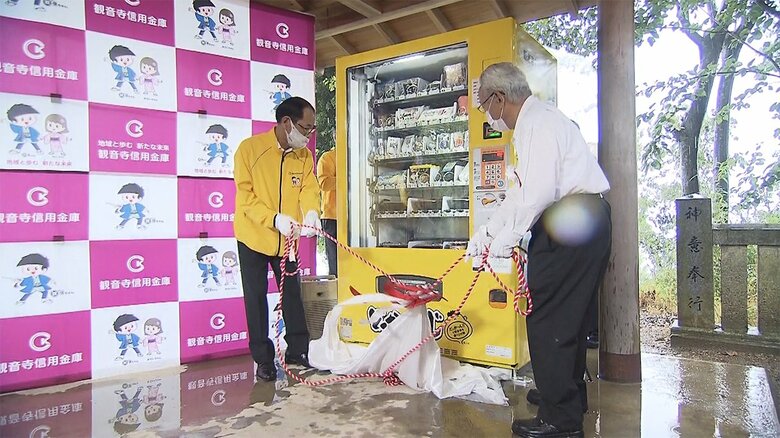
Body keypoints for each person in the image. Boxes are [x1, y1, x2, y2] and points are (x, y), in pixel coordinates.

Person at [466, 63, 611, 438]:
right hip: (580, 220)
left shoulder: (537, 123)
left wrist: (507, 239)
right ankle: (564, 394)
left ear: (500, 98)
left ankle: (559, 420)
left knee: (548, 316)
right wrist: (489, 231)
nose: (488, 115)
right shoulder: (536, 123)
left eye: (484, 105)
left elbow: (537, 194)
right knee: (571, 318)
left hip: (571, 221)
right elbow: (519, 193)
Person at [234, 96, 321, 381]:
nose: (308, 135)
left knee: (293, 295)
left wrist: (310, 212)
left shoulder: (304, 156)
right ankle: (263, 359)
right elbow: (245, 197)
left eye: (311, 129)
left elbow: (309, 187)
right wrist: (273, 219)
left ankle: (298, 350)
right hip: (254, 236)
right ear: (286, 123)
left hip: (287, 240)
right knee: (256, 298)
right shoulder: (250, 150)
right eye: (305, 128)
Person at [317, 140, 338, 276]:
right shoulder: (328, 157)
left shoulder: (355, 156)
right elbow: (324, 183)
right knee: (335, 263)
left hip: (353, 218)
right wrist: (347, 178)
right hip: (333, 218)